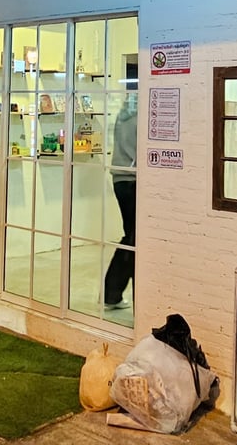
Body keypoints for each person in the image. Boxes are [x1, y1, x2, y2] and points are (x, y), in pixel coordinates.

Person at [104, 93, 137, 310]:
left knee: (133, 237)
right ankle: (113, 293)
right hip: (134, 180)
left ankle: (112, 294)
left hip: (120, 179)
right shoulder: (141, 119)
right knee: (134, 239)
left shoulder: (122, 116)